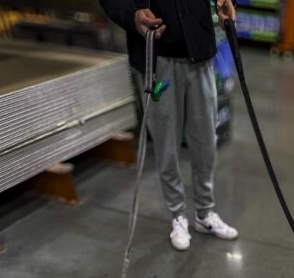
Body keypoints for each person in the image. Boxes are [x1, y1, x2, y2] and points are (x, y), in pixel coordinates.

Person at [100, 0, 239, 250]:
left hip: (200, 54)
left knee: (206, 142)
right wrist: (131, 15)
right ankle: (177, 215)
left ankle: (204, 213)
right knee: (167, 145)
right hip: (158, 58)